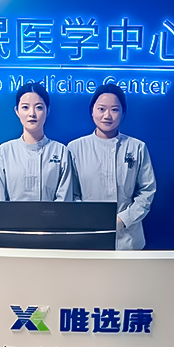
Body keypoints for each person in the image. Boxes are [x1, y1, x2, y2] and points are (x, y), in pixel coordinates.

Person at [67, 84, 156, 250]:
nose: (107, 115)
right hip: (88, 235)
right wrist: (88, 219)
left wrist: (123, 220)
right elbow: (71, 193)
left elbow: (147, 191)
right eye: (101, 109)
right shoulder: (75, 148)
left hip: (129, 239)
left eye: (114, 110)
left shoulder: (137, 147)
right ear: (92, 111)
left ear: (123, 113)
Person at [0, 82, 73, 201]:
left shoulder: (61, 152)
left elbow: (64, 202)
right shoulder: (4, 152)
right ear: (17, 111)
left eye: (39, 107)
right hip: (13, 215)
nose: (32, 114)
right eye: (25, 107)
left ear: (47, 111)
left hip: (53, 215)